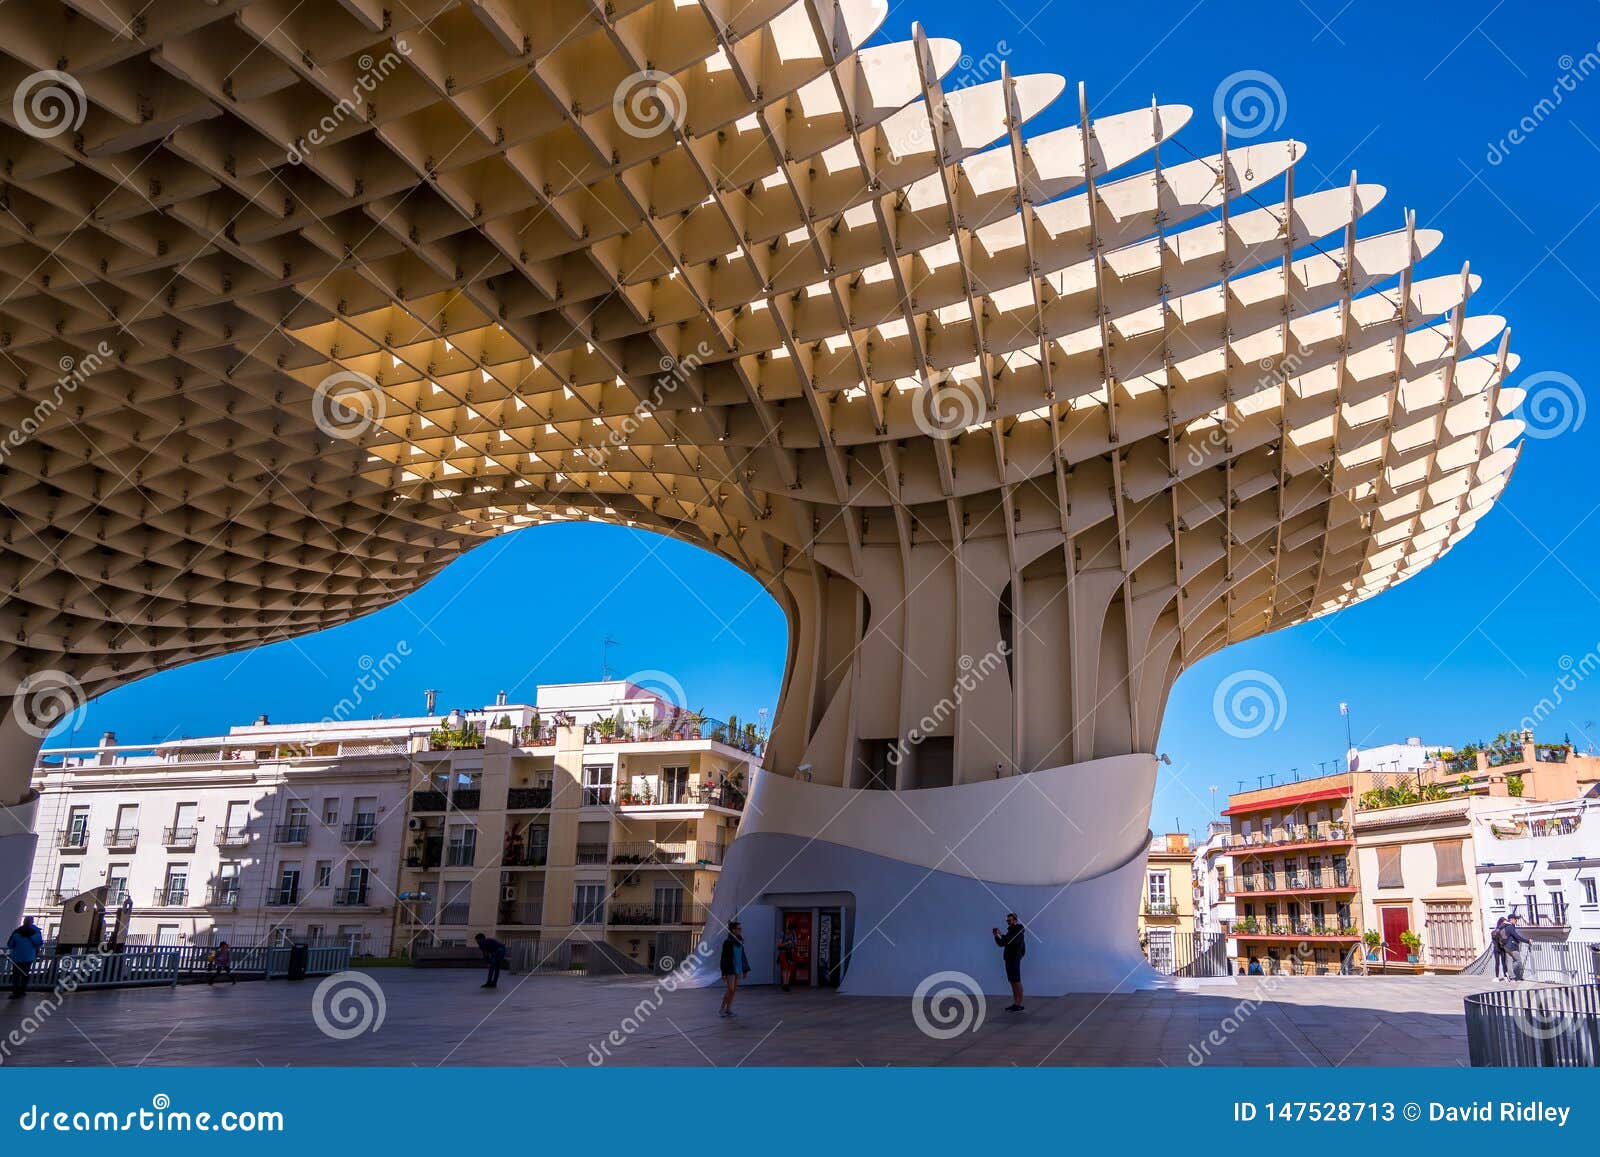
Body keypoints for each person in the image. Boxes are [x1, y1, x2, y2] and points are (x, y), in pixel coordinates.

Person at [991, 913, 1026, 1012]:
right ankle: (1015, 1003)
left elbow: (1010, 941)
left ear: (1015, 920)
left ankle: (1019, 1004)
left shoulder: (1019, 931)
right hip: (1008, 958)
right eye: (1007, 921)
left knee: (1016, 980)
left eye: (1010, 920)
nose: (1008, 922)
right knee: (1012, 981)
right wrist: (996, 935)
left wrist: (1001, 934)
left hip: (1015, 958)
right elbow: (1002, 943)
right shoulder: (1010, 931)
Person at [719, 919, 750, 1017]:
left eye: (741, 929)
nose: (740, 930)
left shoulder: (740, 941)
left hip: (738, 967)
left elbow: (742, 955)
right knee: (730, 989)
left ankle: (728, 1009)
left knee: (734, 990)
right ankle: (722, 1008)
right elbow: (723, 958)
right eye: (739, 929)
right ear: (733, 930)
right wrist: (723, 973)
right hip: (730, 968)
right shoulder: (727, 942)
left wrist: (745, 970)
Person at [7, 916, 43, 999]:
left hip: (17, 957)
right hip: (29, 957)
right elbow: (39, 943)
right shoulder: (35, 933)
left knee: (16, 975)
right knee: (25, 974)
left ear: (24, 921)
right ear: (32, 922)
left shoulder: (17, 932)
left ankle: (15, 992)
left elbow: (10, 944)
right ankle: (23, 990)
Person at [1502, 914, 1532, 981]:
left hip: (1506, 947)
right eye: (1515, 919)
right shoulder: (1510, 927)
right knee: (1518, 961)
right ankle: (1516, 976)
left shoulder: (1506, 926)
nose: (1516, 920)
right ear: (1511, 919)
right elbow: (1517, 936)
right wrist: (1527, 941)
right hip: (1512, 947)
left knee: (1509, 962)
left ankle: (1511, 977)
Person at [776, 926, 798, 992]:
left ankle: (787, 983)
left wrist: (794, 944)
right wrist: (787, 943)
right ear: (787, 929)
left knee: (789, 968)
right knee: (785, 968)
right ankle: (784, 984)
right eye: (789, 930)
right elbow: (779, 945)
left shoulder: (793, 934)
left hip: (790, 952)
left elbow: (795, 943)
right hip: (784, 952)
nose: (790, 932)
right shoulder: (782, 934)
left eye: (791, 931)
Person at [1490, 916, 1512, 981]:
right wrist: (1503, 925)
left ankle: (1505, 976)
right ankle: (1497, 977)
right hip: (1497, 948)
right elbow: (1494, 935)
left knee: (1503, 963)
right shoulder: (1495, 931)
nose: (1504, 924)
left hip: (1502, 948)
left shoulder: (1503, 931)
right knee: (1497, 963)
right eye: (1503, 922)